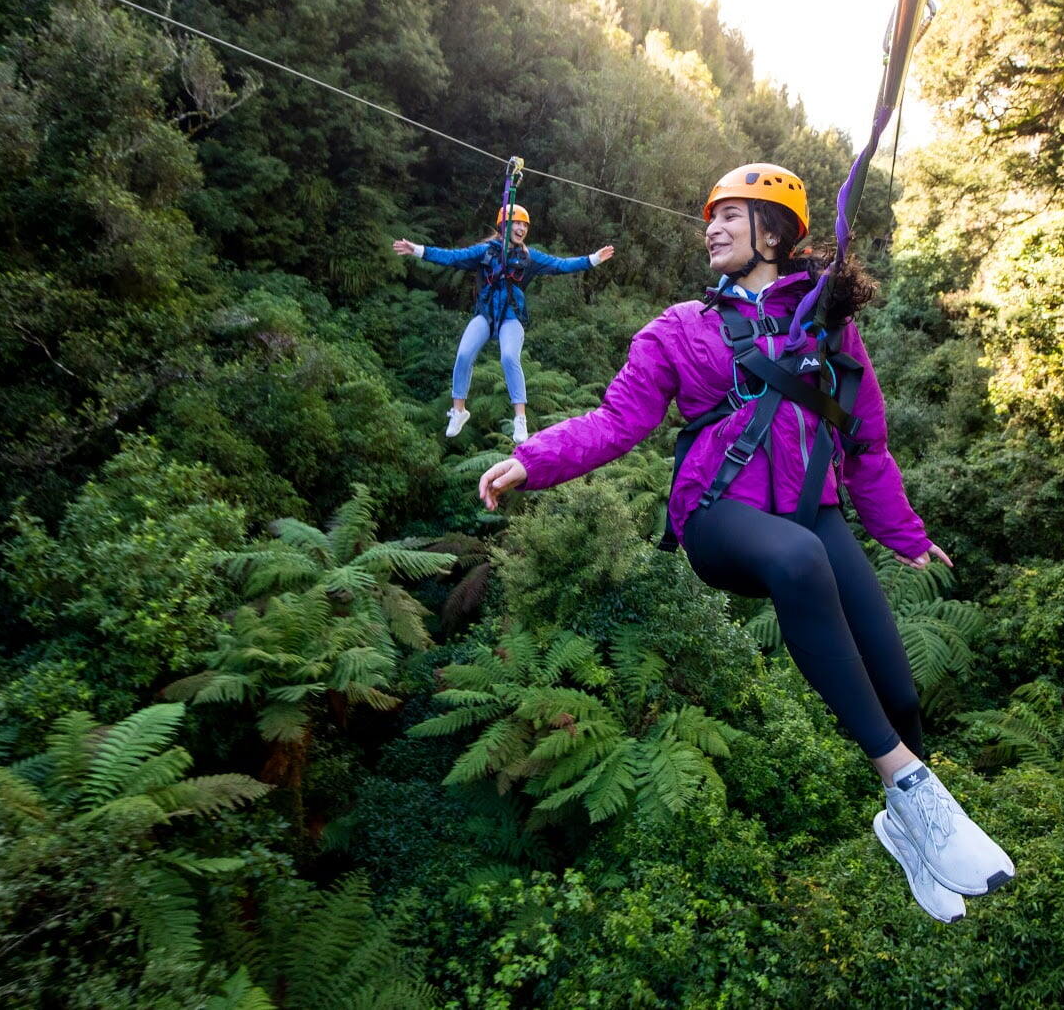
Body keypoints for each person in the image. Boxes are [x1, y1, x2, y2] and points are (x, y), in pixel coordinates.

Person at [474, 163, 1014, 923]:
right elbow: (615, 422)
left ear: (774, 230)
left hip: (813, 512)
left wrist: (904, 534)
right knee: (798, 561)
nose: (712, 229)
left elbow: (867, 442)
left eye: (730, 216)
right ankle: (911, 787)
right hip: (718, 514)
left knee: (899, 688)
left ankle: (907, 833)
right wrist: (535, 459)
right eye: (710, 219)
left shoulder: (827, 324)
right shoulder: (678, 329)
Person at [393, 206, 615, 443]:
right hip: (486, 314)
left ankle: (520, 419)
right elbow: (453, 258)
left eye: (525, 225)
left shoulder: (530, 257)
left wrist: (592, 260)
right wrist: (417, 250)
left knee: (509, 357)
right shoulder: (485, 251)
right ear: (504, 226)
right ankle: (459, 410)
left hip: (511, 317)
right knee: (464, 354)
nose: (521, 229)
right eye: (517, 223)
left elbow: (560, 265)